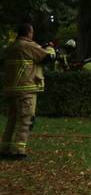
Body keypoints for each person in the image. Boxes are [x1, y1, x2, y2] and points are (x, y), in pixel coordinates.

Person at [2, 22, 56, 160]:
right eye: (32, 32)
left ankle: (5, 148)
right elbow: (47, 58)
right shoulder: (28, 45)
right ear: (29, 33)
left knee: (12, 120)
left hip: (11, 89)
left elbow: (30, 58)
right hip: (26, 89)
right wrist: (50, 48)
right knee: (26, 119)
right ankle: (18, 151)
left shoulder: (12, 47)